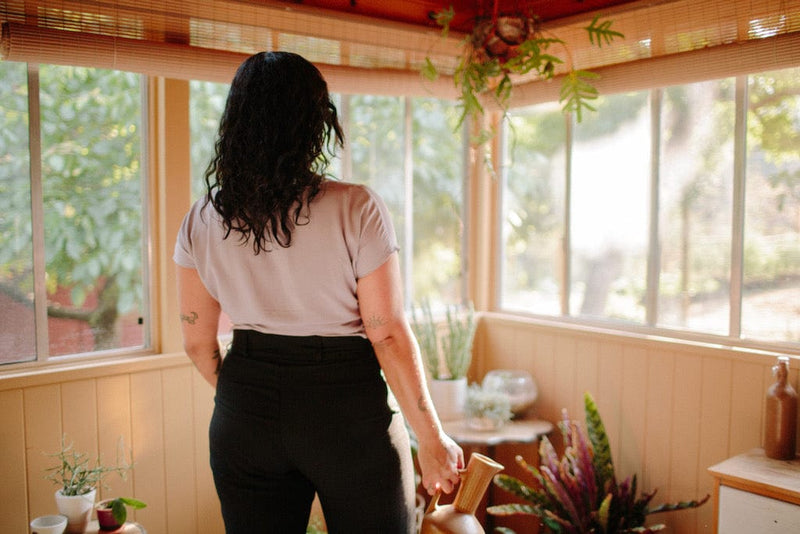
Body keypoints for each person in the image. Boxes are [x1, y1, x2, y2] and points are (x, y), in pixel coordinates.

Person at [173, 51, 463, 533]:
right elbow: (386, 333)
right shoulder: (357, 207)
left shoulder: (201, 219)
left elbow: (196, 341)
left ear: (237, 123)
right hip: (345, 411)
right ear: (315, 121)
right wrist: (431, 438)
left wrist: (247, 398)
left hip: (245, 406)